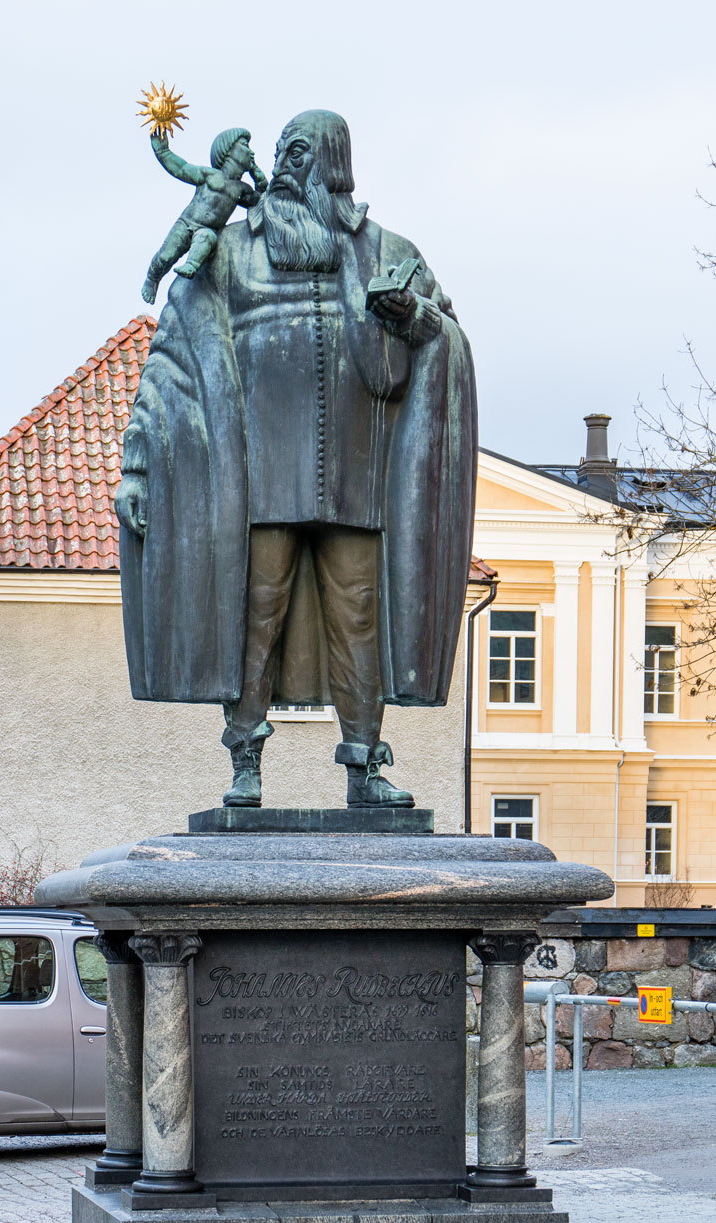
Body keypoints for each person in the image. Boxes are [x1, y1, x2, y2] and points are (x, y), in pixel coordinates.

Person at [117, 110, 477, 809]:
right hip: (253, 478)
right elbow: (169, 357)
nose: (283, 161)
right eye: (281, 149)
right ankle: (244, 761)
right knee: (253, 618)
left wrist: (411, 318)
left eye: (300, 150)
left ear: (333, 163)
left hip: (358, 478)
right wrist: (136, 464)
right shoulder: (226, 251)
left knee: (359, 621)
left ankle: (364, 767)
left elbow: (444, 338)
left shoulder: (386, 250)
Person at [141, 127, 268, 301]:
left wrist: (257, 174)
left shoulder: (241, 189)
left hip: (207, 230)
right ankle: (152, 278)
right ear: (228, 150)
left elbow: (261, 200)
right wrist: (162, 151)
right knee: (165, 257)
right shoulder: (209, 176)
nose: (251, 152)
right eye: (246, 146)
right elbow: (181, 168)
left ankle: (191, 266)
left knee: (207, 238)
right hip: (186, 224)